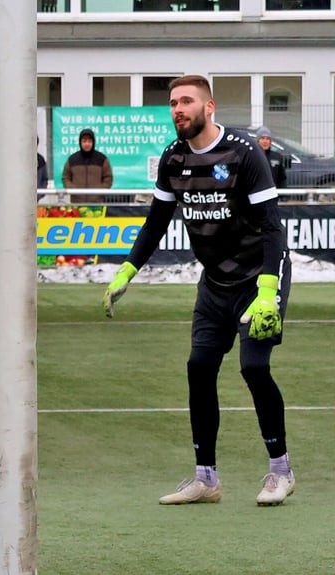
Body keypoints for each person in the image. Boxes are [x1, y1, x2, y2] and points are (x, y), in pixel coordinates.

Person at [103, 75, 294, 506]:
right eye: (173, 103)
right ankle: (205, 479)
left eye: (186, 101)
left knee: (253, 368)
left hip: (260, 277)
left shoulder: (245, 154)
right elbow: (156, 222)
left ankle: (281, 471)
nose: (177, 109)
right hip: (214, 282)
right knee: (199, 368)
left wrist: (268, 292)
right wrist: (127, 271)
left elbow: (271, 228)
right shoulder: (173, 159)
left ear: (210, 107)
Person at [62, 128, 113, 204]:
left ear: (93, 142)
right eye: (84, 141)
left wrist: (99, 191)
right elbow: (66, 177)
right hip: (76, 202)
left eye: (89, 141)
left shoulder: (102, 159)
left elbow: (108, 178)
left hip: (97, 203)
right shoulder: (72, 159)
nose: (87, 144)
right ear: (80, 142)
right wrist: (73, 189)